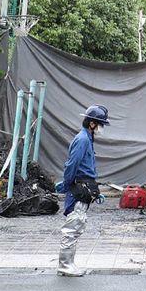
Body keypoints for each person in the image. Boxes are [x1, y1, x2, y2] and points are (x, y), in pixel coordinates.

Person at [56, 105, 109, 277]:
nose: (102, 128)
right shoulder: (83, 140)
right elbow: (72, 164)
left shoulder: (87, 139)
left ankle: (68, 264)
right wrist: (67, 184)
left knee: (77, 224)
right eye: (100, 124)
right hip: (79, 187)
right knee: (73, 225)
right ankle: (65, 265)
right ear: (92, 124)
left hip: (84, 186)